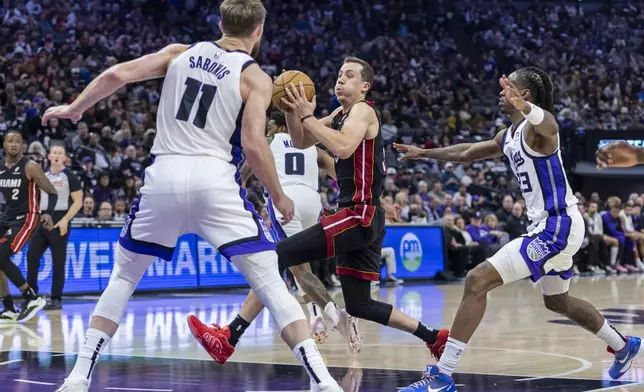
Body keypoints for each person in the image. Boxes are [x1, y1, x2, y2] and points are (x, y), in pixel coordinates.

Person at [43, 1, 342, 391]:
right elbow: (253, 145)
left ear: (220, 24)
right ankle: (322, 380)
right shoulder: (255, 77)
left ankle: (78, 376)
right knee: (270, 279)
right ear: (259, 32)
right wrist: (279, 196)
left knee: (124, 277)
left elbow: (118, 74)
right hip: (214, 179)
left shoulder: (178, 54)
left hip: (163, 175)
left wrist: (74, 108)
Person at [190, 56, 449, 365]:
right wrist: (290, 111)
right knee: (359, 304)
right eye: (339, 74)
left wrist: (307, 115)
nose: (341, 80)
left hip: (357, 214)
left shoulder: (363, 111)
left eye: (349, 76)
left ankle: (229, 337)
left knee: (275, 257)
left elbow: (341, 147)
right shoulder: (341, 113)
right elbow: (301, 141)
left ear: (364, 86)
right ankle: (434, 338)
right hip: (366, 215)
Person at [395, 67, 640, 391]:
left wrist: (529, 110)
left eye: (509, 85)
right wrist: (424, 153)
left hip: (556, 225)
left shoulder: (539, 131)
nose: (501, 90)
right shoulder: (508, 135)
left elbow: (550, 124)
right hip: (555, 226)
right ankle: (623, 345)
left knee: (476, 280)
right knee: (558, 303)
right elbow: (467, 152)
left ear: (524, 95)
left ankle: (442, 376)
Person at [214, 110, 360, 355]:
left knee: (297, 270)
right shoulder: (313, 147)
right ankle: (315, 315)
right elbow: (343, 176)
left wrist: (231, 193)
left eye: (270, 126)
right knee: (299, 265)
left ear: (281, 127)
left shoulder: (270, 141)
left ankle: (337, 316)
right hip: (313, 202)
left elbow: (244, 171)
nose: (268, 130)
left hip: (286, 200)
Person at [0, 131, 57, 323]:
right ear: (4, 145)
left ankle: (31, 298)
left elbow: (52, 191)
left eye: (18, 142)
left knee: (0, 255)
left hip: (27, 217)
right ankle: (8, 308)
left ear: (23, 146)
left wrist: (48, 212)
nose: (14, 145)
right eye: (10, 141)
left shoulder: (30, 166)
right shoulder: (0, 167)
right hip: (6, 218)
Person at [26, 143, 83, 310]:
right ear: (49, 156)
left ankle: (56, 298)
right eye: (54, 153)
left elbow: (78, 202)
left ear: (65, 158)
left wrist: (65, 220)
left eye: (60, 153)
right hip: (41, 219)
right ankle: (32, 297)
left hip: (60, 220)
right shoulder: (42, 175)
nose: (57, 155)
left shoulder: (70, 177)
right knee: (31, 257)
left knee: (58, 262)